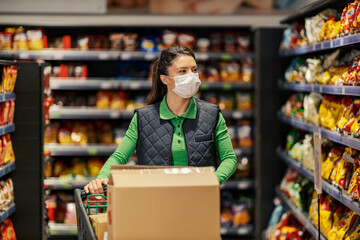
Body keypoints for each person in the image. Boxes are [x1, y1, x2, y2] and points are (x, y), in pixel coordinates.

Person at [84, 45, 237, 194]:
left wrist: (210, 183)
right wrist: (102, 178)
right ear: (165, 79)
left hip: (199, 202)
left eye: (194, 70)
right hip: (156, 202)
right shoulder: (144, 118)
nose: (191, 75)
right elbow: (120, 156)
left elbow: (229, 159)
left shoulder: (211, 114)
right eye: (182, 71)